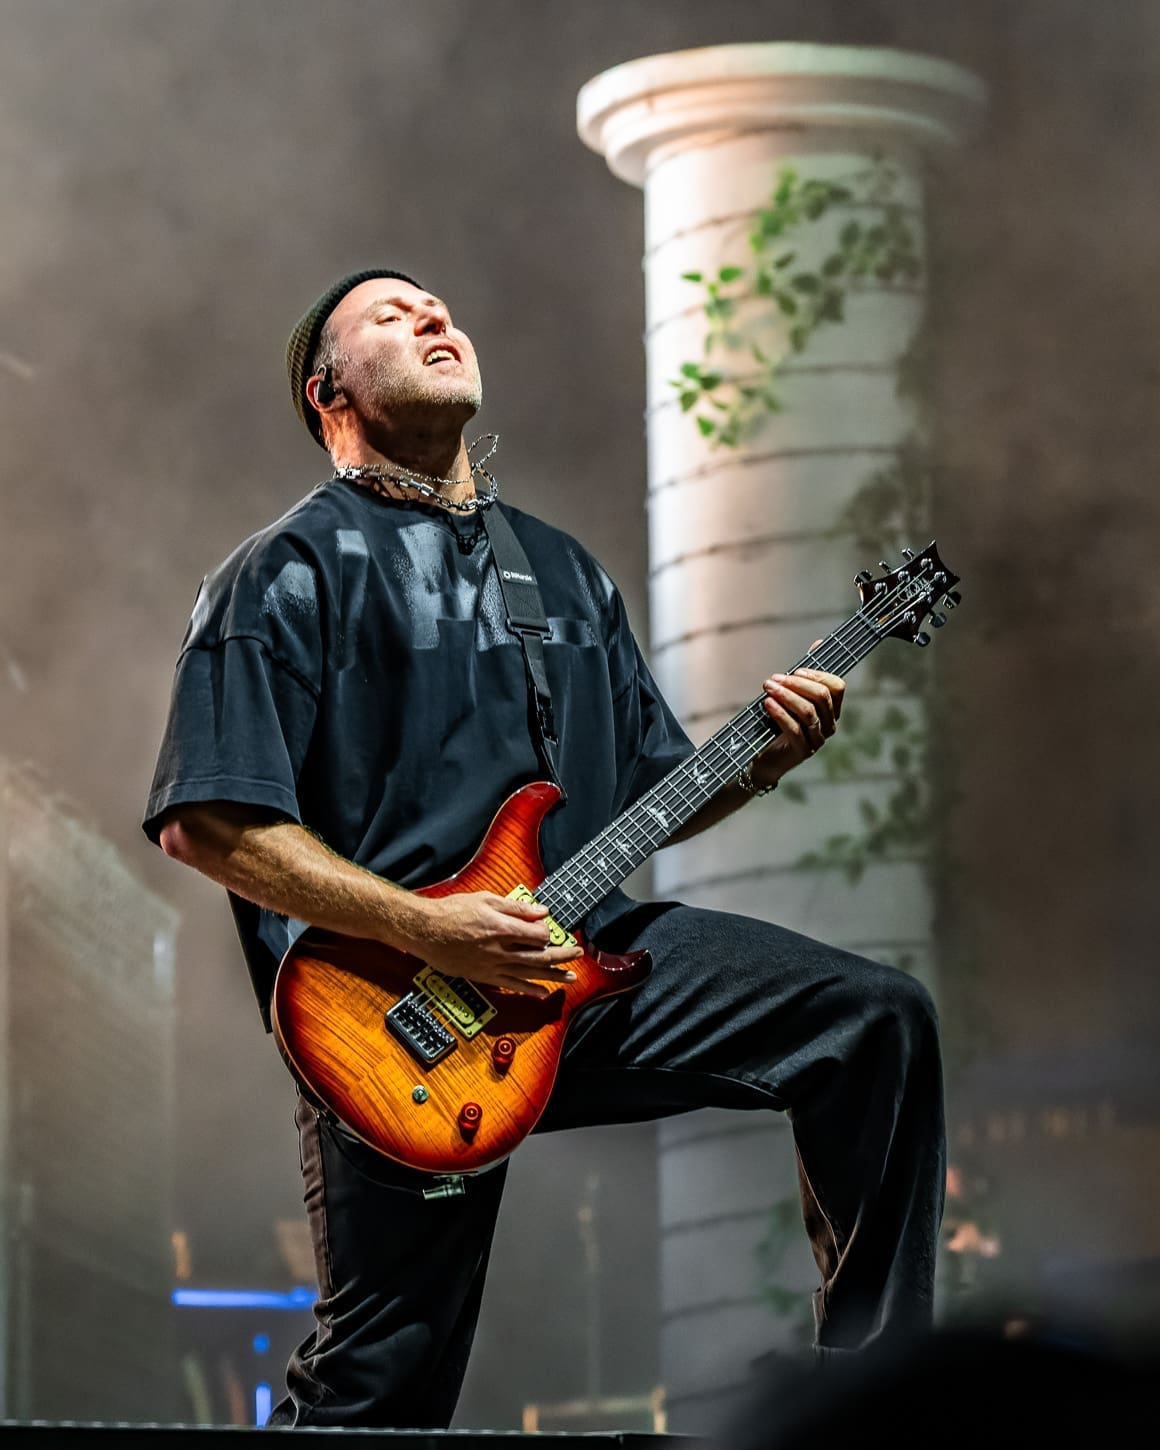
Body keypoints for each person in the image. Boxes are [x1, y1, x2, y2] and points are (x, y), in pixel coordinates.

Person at [142, 269, 946, 1429]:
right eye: (389, 314)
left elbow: (653, 792)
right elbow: (208, 819)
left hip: (584, 955)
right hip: (394, 1008)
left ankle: (879, 1406)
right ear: (329, 392)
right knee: (383, 1375)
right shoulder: (282, 572)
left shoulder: (561, 571)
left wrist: (759, 758)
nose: (433, 317)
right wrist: (428, 925)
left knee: (873, 1020)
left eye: (439, 306)